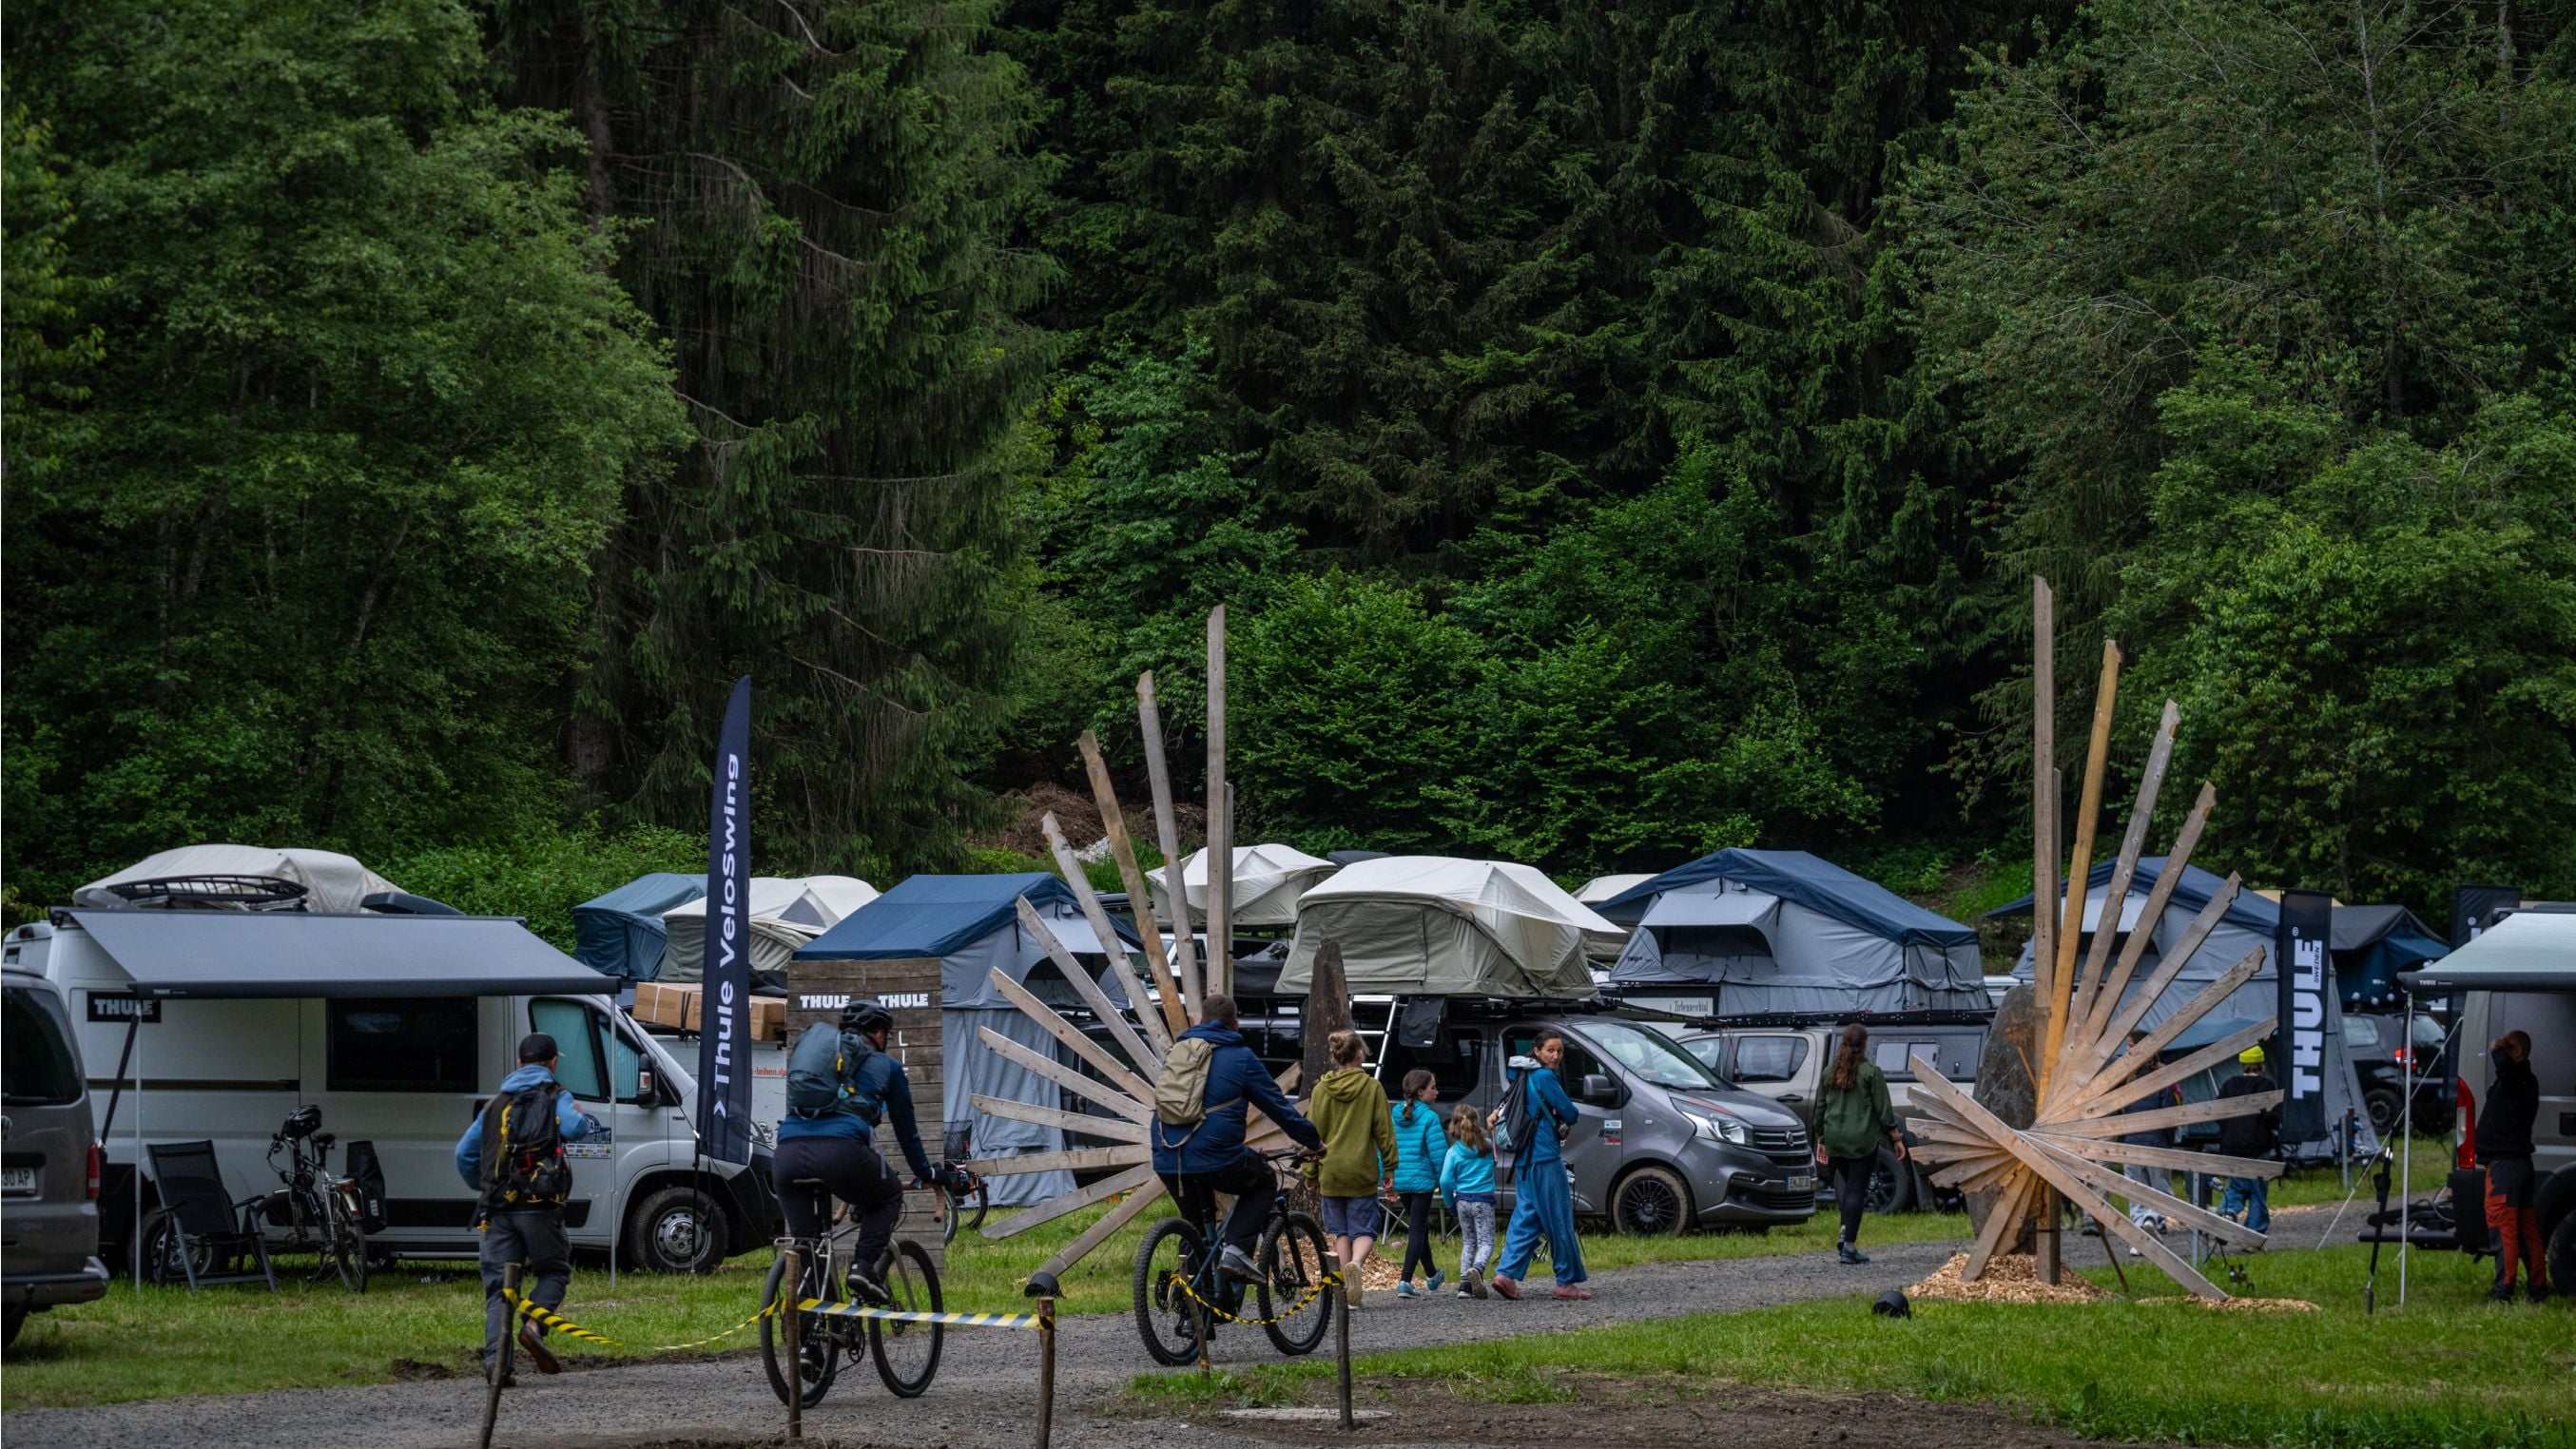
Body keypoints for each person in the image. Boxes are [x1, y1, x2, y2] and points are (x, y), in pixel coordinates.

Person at [455, 1033, 604, 1382]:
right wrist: (577, 1115)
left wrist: (483, 1185)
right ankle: (534, 1326)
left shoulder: (495, 1104)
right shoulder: (556, 1095)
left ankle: (496, 1365)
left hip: (497, 1208)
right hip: (540, 1206)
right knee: (553, 1272)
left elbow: (464, 1154)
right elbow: (577, 1128)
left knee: (500, 1288)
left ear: (519, 1063)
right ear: (553, 1063)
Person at [1149, 995, 1324, 1293]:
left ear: (1200, 1022)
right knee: (1264, 1180)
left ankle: (1193, 1309)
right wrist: (1314, 1142)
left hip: (1167, 1153)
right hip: (1216, 1155)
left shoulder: (1179, 1051)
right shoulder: (1241, 1057)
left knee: (1194, 1227)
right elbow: (1278, 1108)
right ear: (1236, 1025)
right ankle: (1237, 1251)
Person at [770, 998, 939, 1304]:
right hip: (841, 1153)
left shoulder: (823, 1066)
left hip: (786, 1155)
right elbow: (906, 1128)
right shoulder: (886, 1065)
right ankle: (863, 1268)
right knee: (887, 1194)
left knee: (808, 1245)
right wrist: (924, 1172)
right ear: (878, 1033)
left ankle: (811, 1342)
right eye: (886, 1034)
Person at [1489, 1028, 1588, 1300]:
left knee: (1527, 1216)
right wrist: (1563, 1115)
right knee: (1558, 1218)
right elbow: (1570, 1112)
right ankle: (1565, 1282)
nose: (1556, 1056)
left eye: (1559, 1051)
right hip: (1545, 1157)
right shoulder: (1545, 1077)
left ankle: (1505, 1274)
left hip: (1523, 1159)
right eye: (1550, 1050)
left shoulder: (1522, 1075)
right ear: (1537, 1051)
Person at [1309, 1030, 1397, 1306]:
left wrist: (1310, 1174)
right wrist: (1390, 1169)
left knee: (1341, 1233)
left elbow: (1313, 1133)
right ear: (1359, 1053)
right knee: (1365, 1230)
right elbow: (1384, 1132)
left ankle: (1348, 1291)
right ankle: (1357, 1265)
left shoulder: (1321, 1090)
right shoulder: (1372, 1088)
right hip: (1361, 1170)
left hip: (1331, 1171)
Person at [1811, 1022, 1904, 1265]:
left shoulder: (1829, 1072)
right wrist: (1896, 1138)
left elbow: (1820, 1108)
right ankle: (1848, 1244)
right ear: (1864, 1045)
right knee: (1856, 1190)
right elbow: (1884, 1110)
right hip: (1861, 1140)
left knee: (1847, 1188)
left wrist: (1821, 1139)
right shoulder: (1871, 1073)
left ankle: (1845, 1230)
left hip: (1835, 1140)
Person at [2476, 1029, 2549, 1304]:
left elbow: (2506, 1068)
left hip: (2505, 1165)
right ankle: (2537, 1287)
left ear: (2514, 1052)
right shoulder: (2525, 1081)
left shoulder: (2516, 1077)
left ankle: (2503, 1289)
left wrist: (2497, 1048)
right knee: (2527, 1229)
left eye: (2504, 1051)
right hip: (2520, 1164)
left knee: (2503, 1226)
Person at [2114, 1028, 2180, 1250]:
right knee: (2161, 1191)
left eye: (2130, 1045)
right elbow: (2170, 1116)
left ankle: (2137, 1242)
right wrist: (2169, 1142)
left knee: (2136, 1193)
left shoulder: (2128, 1083)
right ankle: (2152, 1219)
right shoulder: (2163, 1081)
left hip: (2131, 1144)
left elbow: (2122, 1112)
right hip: (2156, 1143)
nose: (2126, 1050)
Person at [1388, 1069, 1447, 1298]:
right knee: (1417, 1229)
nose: (1436, 1091)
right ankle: (1405, 1280)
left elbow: (1386, 1147)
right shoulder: (1430, 1118)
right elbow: (1438, 1154)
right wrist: (1444, 1180)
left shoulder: (1395, 1114)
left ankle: (1432, 1275)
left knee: (1417, 1226)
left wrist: (1388, 1175)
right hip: (1422, 1181)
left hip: (1402, 1179)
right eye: (1433, 1087)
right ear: (1420, 1091)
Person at [2215, 1044, 2280, 1236]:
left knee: (2236, 1186)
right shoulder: (2265, 1085)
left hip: (2232, 1145)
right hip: (2257, 1145)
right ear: (2262, 1064)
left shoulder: (2229, 1084)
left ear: (2242, 1064)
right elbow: (2271, 1117)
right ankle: (2254, 1232)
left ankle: (2228, 1213)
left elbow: (2219, 1113)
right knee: (2258, 1191)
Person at [1439, 1103, 1498, 1299]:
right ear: (1476, 1123)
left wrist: (1450, 1203)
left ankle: (1465, 1284)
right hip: (1484, 1200)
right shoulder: (1487, 1145)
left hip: (1462, 1200)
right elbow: (1494, 1162)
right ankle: (1478, 1269)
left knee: (1469, 1241)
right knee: (1486, 1241)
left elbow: (1445, 1180)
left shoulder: (1454, 1152)